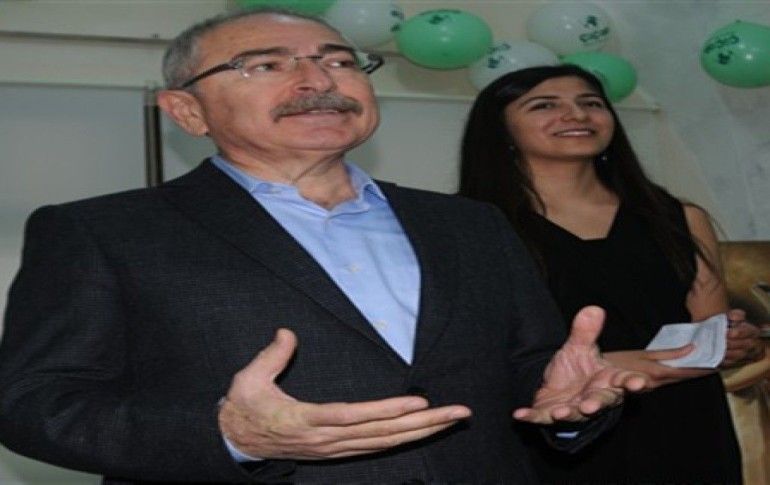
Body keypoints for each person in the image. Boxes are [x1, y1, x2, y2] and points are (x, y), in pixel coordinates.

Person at [0, 9, 650, 485]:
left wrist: (568, 407)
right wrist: (231, 434)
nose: (318, 79)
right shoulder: (102, 231)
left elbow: (533, 368)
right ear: (187, 111)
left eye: (339, 61)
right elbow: (35, 405)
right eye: (266, 64)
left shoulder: (469, 223)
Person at [458, 65, 765, 484]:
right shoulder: (468, 227)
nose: (577, 114)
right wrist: (603, 367)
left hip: (684, 426)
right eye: (544, 105)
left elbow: (706, 335)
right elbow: (473, 356)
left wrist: (734, 343)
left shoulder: (678, 217)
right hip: (555, 430)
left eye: (591, 103)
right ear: (500, 130)